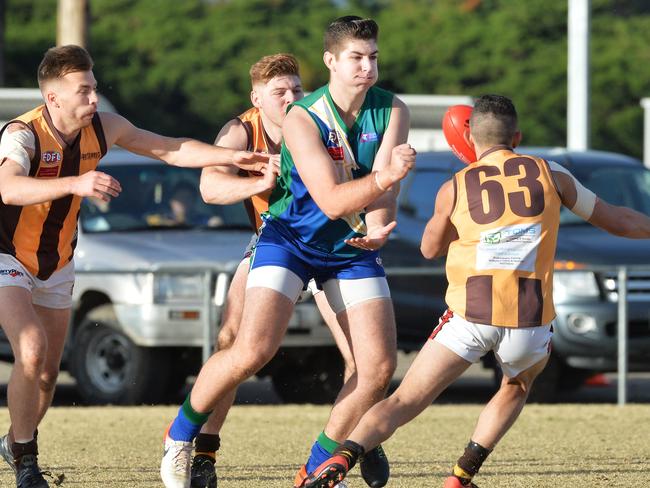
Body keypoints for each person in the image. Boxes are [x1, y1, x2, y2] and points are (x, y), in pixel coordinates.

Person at [301, 94, 650, 488]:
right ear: (516, 136)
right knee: (515, 387)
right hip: (529, 317)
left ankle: (341, 460)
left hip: (469, 315)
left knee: (403, 401)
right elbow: (618, 220)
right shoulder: (551, 173)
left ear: (470, 138)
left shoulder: (456, 185)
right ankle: (461, 476)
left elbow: (429, 248)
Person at [160, 16, 416, 488]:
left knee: (378, 369)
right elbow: (334, 200)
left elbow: (382, 195)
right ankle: (181, 436)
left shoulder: (392, 109)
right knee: (251, 349)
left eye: (373, 57)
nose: (367, 67)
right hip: (290, 239)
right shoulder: (302, 117)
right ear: (331, 62)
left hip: (348, 246)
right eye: (356, 58)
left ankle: (316, 467)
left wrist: (379, 227)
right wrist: (387, 178)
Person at [0, 44, 269, 488]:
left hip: (58, 261)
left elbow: (169, 149)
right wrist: (77, 183)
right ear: (53, 99)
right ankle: (27, 462)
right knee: (30, 350)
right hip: (8, 256)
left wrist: (229, 157)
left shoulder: (104, 126)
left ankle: (14, 441)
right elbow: (8, 188)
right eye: (83, 91)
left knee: (47, 373)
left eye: (93, 87)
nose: (92, 98)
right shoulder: (22, 134)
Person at [189, 52, 356, 488]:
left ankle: (357, 443)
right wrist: (257, 182)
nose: (291, 97)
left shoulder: (324, 118)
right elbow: (209, 187)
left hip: (331, 243)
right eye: (279, 91)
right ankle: (205, 450)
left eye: (297, 89)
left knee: (361, 356)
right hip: (273, 243)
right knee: (232, 338)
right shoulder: (241, 130)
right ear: (256, 98)